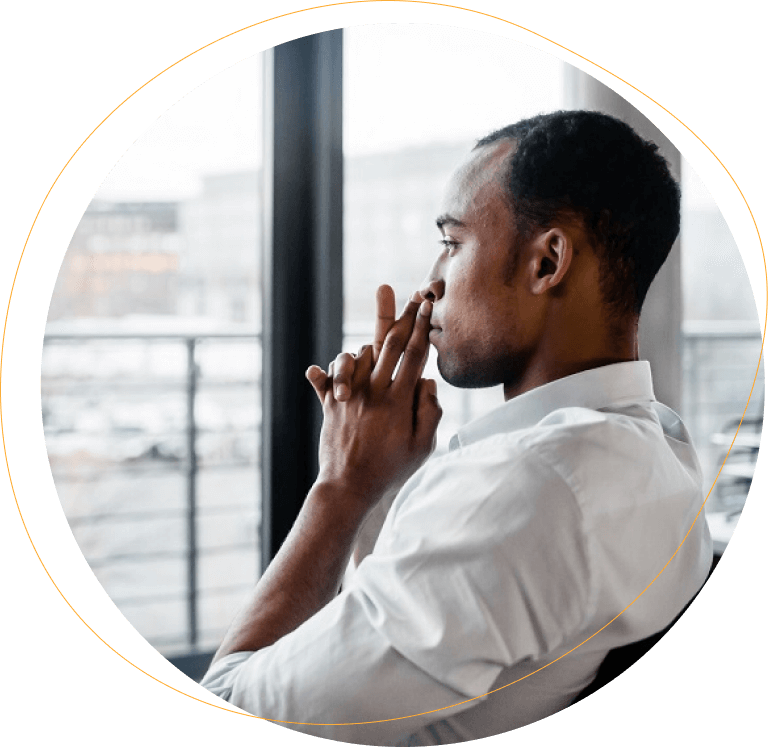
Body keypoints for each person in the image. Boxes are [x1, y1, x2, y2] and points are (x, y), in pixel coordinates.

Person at [199, 110, 713, 743]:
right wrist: (388, 481)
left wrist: (342, 485)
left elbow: (233, 701)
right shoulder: (660, 444)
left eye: (452, 243)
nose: (430, 283)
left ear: (547, 262)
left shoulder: (528, 487)